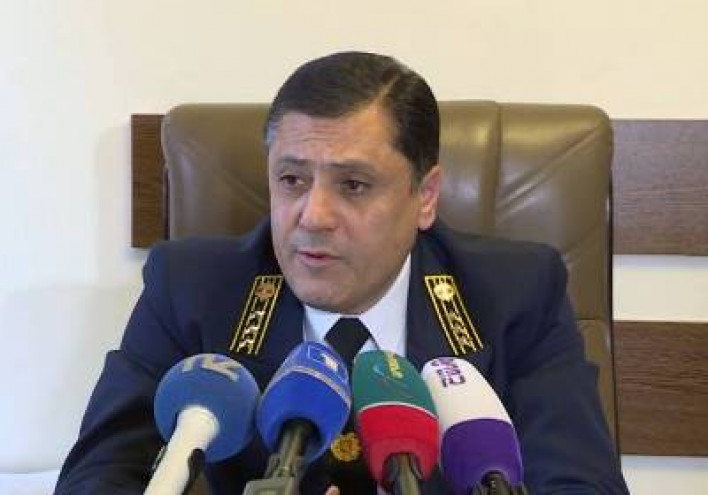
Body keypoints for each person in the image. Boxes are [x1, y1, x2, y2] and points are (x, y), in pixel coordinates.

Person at [56, 51, 629, 494]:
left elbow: (581, 482)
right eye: (292, 180)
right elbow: (98, 478)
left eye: (353, 185)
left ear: (425, 196)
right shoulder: (191, 289)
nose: (313, 216)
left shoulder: (516, 294)